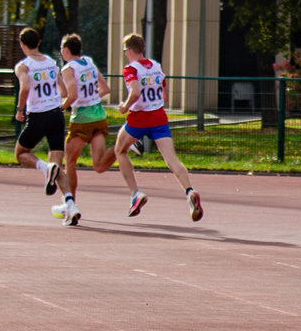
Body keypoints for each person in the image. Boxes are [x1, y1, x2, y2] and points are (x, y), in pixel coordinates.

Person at [111, 33, 205, 221]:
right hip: (159, 117)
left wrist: (124, 107)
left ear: (129, 50)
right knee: (172, 160)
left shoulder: (130, 69)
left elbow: (136, 92)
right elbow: (165, 96)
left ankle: (135, 193)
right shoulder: (155, 66)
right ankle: (189, 191)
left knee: (119, 150)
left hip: (139, 118)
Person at [56, 34, 114, 226]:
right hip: (99, 115)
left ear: (66, 50)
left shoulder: (68, 68)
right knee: (98, 165)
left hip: (81, 118)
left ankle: (71, 205)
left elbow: (71, 95)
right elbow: (105, 89)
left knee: (69, 162)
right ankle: (126, 146)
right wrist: (91, 99)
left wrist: (60, 108)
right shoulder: (88, 61)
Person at [10, 28, 69, 211]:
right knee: (58, 165)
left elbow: (25, 86)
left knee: (20, 153)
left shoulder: (24, 66)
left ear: (22, 44)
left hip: (38, 115)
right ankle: (71, 205)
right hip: (56, 114)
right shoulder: (51, 63)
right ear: (39, 43)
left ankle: (44, 167)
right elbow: (64, 91)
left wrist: (20, 110)